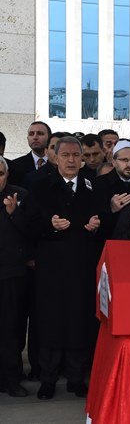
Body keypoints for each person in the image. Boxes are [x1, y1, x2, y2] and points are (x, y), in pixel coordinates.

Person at [23, 136, 102, 400]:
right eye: (65, 155)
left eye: (75, 156)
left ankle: (77, 378)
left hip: (81, 267)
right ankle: (48, 379)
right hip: (51, 269)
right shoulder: (39, 186)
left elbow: (103, 223)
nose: (71, 160)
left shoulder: (93, 187)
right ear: (55, 157)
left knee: (79, 321)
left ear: (82, 159)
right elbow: (27, 226)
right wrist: (49, 227)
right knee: (50, 323)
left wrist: (95, 227)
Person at [0, 156, 29, 397]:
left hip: (11, 274)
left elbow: (32, 232)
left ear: (7, 175)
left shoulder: (21, 196)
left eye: (0, 174)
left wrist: (14, 213)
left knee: (10, 330)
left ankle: (12, 379)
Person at [93, 141, 130, 238]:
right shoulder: (98, 184)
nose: (129, 164)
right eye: (124, 160)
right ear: (114, 162)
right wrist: (111, 209)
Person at [8, 121, 51, 187]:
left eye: (40, 133)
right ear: (27, 138)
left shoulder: (58, 164)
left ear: (49, 137)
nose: (35, 137)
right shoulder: (15, 165)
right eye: (31, 134)